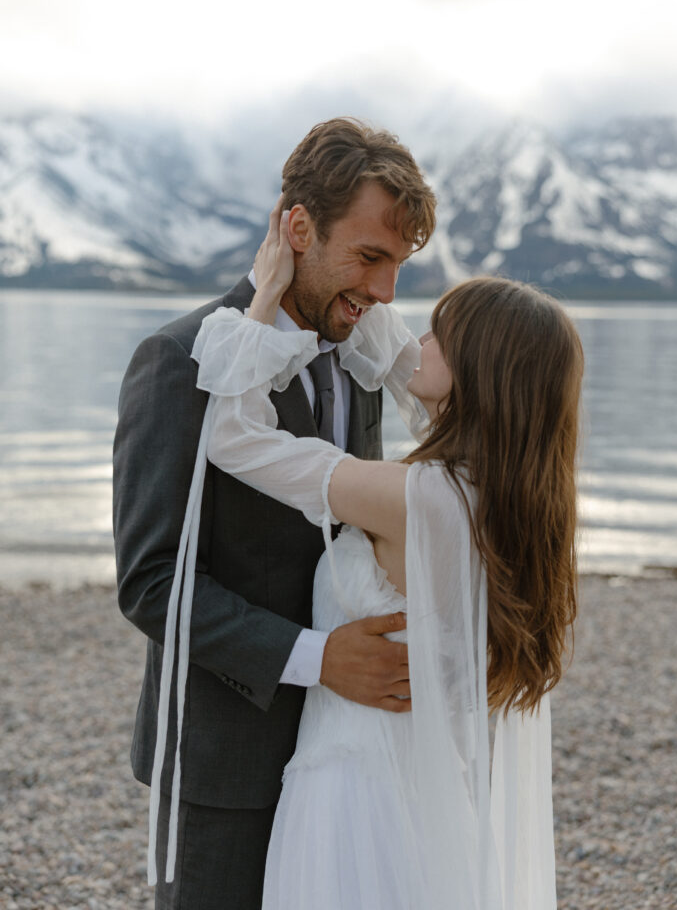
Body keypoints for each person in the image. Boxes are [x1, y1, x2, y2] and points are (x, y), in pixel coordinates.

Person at [188, 211, 584, 909]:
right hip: (428, 790)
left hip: (354, 793)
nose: (415, 338)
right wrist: (350, 293)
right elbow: (413, 375)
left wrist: (265, 299)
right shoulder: (514, 497)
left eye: (440, 334)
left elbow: (234, 437)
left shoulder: (419, 498)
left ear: (479, 373)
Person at [112, 117, 437, 909]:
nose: (386, 291)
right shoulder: (178, 361)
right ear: (298, 227)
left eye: (397, 263)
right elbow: (151, 582)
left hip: (347, 750)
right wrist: (315, 656)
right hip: (224, 757)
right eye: (369, 257)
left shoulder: (358, 358)